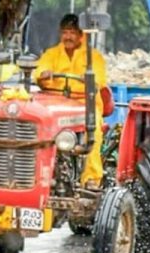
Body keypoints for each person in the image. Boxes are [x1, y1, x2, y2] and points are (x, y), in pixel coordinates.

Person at [35, 13, 108, 184]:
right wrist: (43, 74)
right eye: (64, 32)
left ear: (81, 34)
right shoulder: (51, 54)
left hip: (84, 104)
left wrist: (88, 79)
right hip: (55, 104)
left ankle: (91, 178)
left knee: (94, 130)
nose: (68, 36)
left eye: (72, 32)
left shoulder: (93, 56)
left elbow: (99, 81)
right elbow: (39, 71)